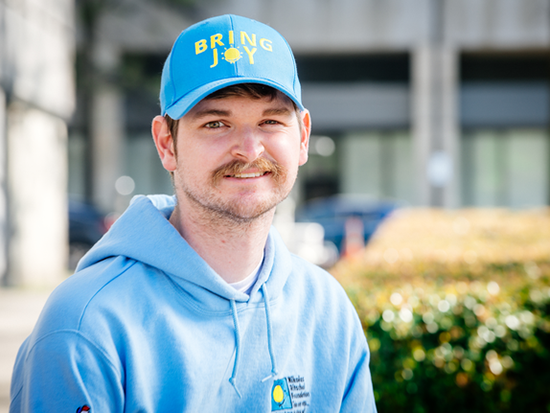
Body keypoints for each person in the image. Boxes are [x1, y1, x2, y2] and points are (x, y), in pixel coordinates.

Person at [10, 14, 377, 412]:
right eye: (217, 123)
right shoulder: (87, 324)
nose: (250, 150)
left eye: (270, 121)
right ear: (166, 142)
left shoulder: (327, 310)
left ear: (302, 136)